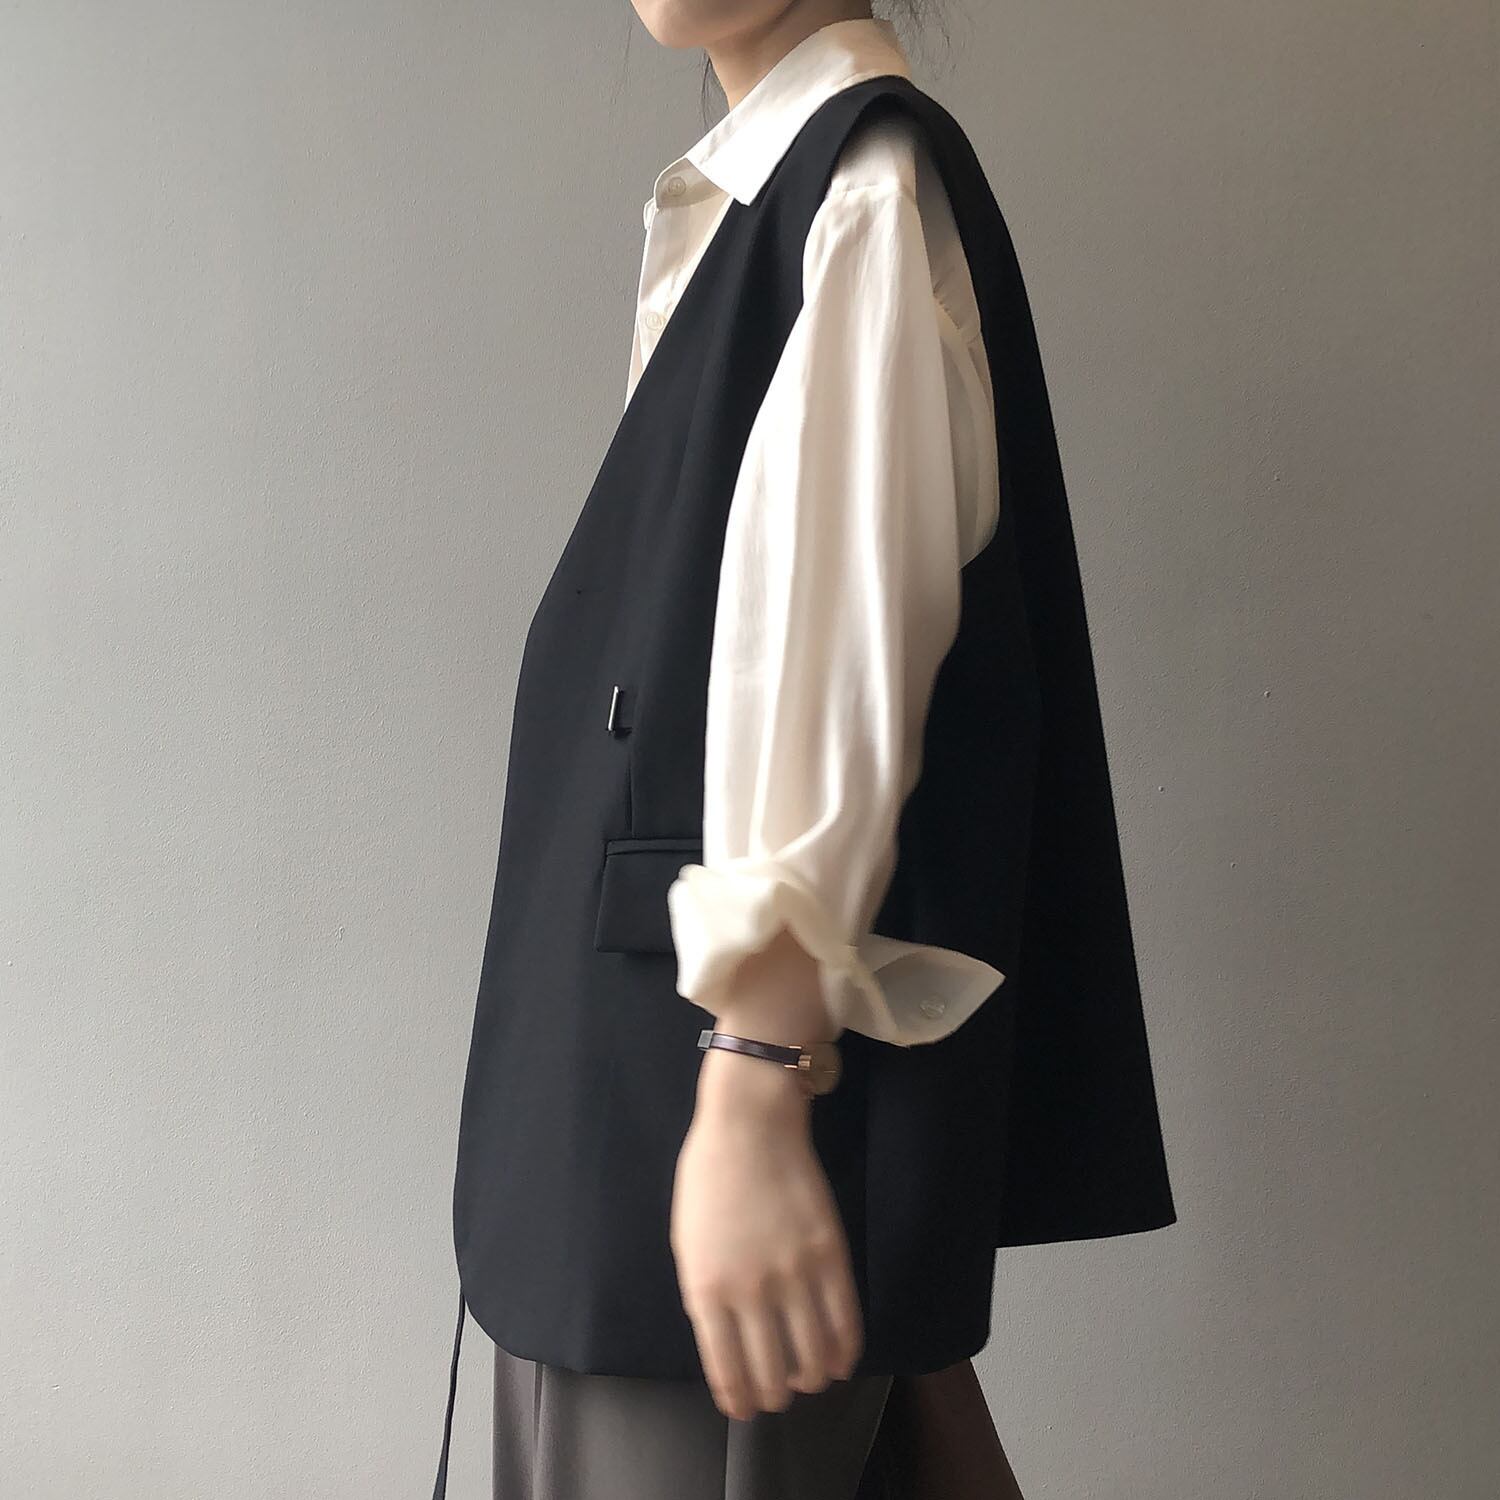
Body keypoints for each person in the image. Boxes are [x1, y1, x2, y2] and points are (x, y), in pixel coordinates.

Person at [432, 7, 1177, 1499]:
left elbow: (836, 667)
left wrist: (755, 1079)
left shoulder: (862, 193)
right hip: (634, 1132)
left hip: (697, 1133)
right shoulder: (764, 200)